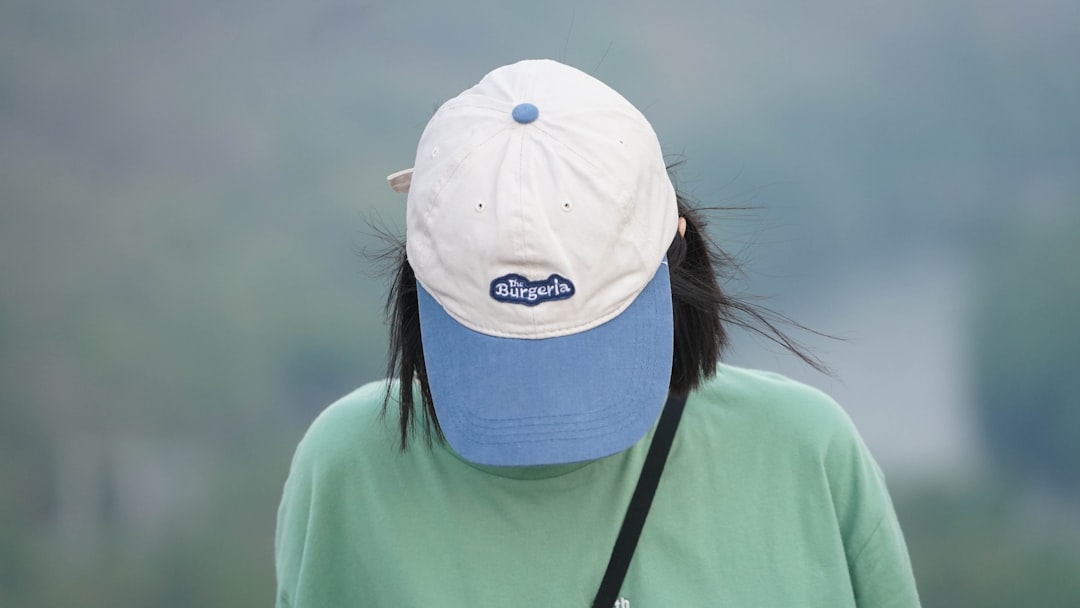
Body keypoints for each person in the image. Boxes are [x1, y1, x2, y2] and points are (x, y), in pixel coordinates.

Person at [274, 59, 921, 607]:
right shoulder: (345, 473)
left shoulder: (809, 453)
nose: (549, 415)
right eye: (508, 347)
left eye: (580, 345)